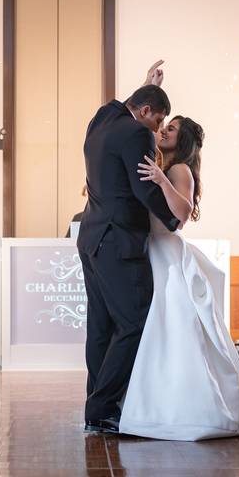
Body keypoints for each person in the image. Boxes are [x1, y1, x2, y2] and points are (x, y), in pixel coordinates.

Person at [120, 113, 239, 440]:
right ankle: (153, 403)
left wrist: (162, 181)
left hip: (166, 252)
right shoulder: (164, 164)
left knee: (174, 329)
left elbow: (180, 214)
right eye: (165, 125)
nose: (164, 130)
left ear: (184, 140)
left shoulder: (179, 171)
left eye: (172, 128)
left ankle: (183, 408)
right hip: (152, 250)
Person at [77, 61, 180, 433]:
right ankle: (104, 407)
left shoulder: (101, 119)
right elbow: (142, 187)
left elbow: (126, 105)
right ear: (147, 113)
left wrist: (146, 86)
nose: (155, 132)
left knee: (101, 327)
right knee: (135, 321)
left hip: (90, 238)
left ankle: (97, 404)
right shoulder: (136, 133)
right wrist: (172, 223)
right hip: (119, 240)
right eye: (157, 122)